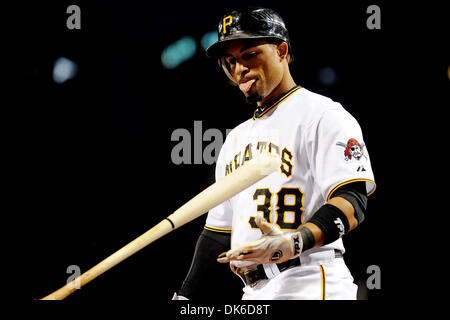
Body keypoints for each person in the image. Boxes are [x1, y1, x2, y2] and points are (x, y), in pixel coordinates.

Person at [173, 6, 375, 300]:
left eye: (249, 54)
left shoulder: (323, 114)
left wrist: (295, 241)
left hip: (310, 280)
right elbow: (218, 234)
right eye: (230, 61)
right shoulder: (235, 140)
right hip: (253, 291)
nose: (239, 69)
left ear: (281, 50)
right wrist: (186, 297)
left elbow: (353, 200)